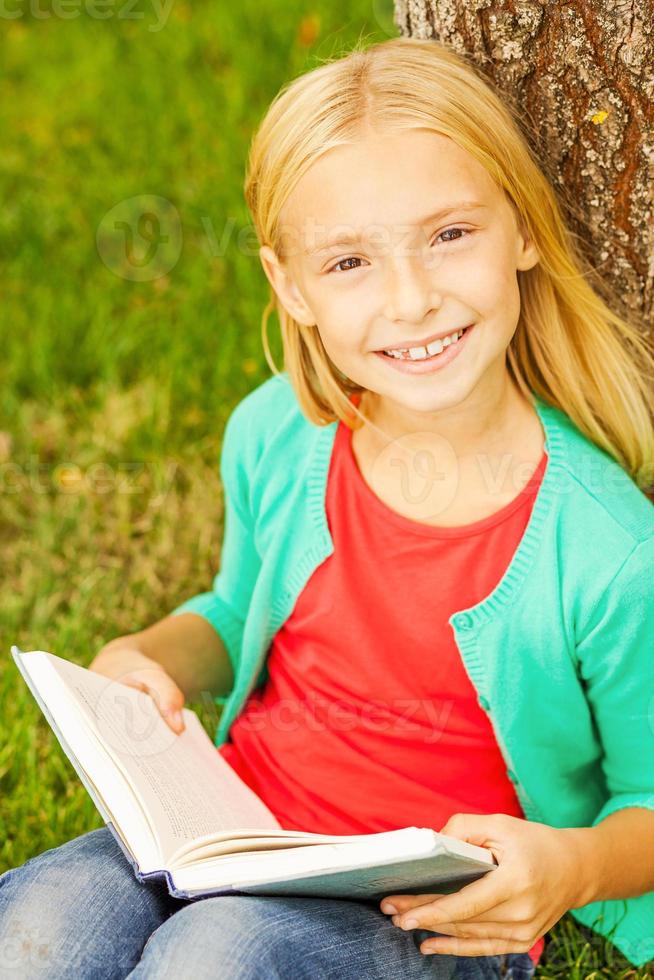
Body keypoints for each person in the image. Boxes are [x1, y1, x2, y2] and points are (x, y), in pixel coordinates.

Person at [2, 35, 654, 980]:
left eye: (449, 235)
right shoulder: (279, 434)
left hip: (427, 904)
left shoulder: (607, 549)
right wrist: (150, 657)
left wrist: (574, 865)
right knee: (44, 925)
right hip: (237, 824)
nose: (412, 299)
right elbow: (234, 610)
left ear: (522, 228)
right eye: (349, 262)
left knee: (215, 959)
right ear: (289, 287)